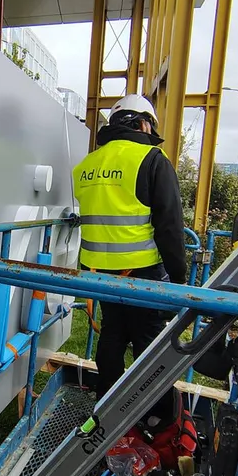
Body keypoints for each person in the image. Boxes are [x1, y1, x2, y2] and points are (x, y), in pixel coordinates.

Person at [72, 94, 187, 429]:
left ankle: (106, 407)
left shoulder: (86, 166)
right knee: (148, 344)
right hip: (142, 272)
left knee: (112, 337)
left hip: (100, 271)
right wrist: (179, 278)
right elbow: (169, 226)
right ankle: (156, 415)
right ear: (143, 123)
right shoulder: (152, 159)